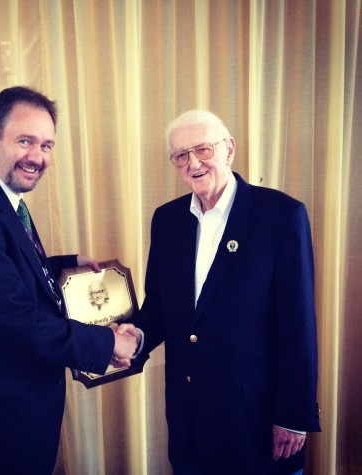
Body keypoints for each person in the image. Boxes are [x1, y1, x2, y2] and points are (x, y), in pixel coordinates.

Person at [0, 86, 138, 475]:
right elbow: (14, 320)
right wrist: (107, 342)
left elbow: (4, 270)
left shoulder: (0, 200)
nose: (37, 157)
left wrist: (66, 265)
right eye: (25, 141)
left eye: (46, 145)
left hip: (13, 424)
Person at [116, 110, 320, 474]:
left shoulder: (281, 215)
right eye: (181, 155)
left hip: (256, 418)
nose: (193, 163)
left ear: (229, 149)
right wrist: (135, 336)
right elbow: (160, 305)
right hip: (190, 418)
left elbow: (298, 323)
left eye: (203, 149)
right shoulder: (167, 220)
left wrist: (293, 415)